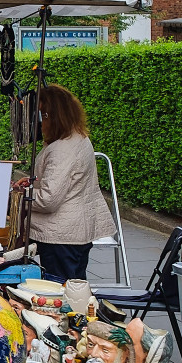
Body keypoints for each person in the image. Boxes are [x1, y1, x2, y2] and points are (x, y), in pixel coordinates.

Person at [18, 84, 114, 283]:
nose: (38, 123)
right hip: (74, 234)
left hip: (61, 237)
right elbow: (63, 183)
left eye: (41, 115)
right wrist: (34, 184)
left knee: (61, 292)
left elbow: (48, 200)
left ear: (51, 116)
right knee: (74, 288)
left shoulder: (62, 149)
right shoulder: (78, 138)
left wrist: (20, 195)